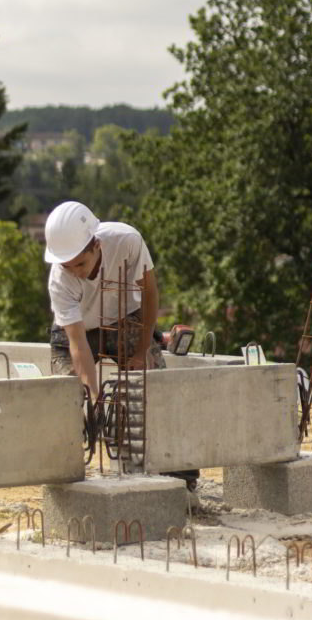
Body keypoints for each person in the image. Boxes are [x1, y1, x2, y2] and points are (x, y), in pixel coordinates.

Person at [44, 200, 199, 495]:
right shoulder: (59, 279)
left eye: (80, 263)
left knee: (154, 385)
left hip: (125, 320)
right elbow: (77, 345)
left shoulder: (127, 241)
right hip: (76, 333)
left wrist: (141, 352)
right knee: (66, 396)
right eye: (67, 265)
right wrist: (93, 398)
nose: (74, 271)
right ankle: (66, 478)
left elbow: (150, 294)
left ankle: (180, 476)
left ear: (96, 245)